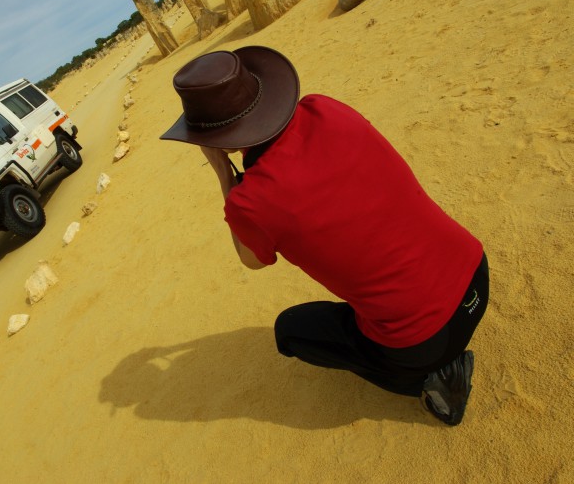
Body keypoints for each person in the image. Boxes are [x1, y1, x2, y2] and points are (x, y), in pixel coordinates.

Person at [160, 46, 489, 426]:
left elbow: (251, 260)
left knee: (291, 332)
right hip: (475, 273)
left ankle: (430, 382)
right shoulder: (325, 108)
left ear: (215, 138)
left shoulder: (250, 202)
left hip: (421, 342)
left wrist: (222, 173)